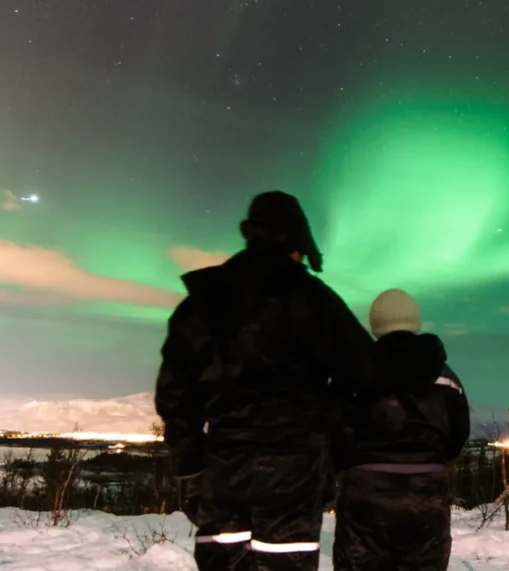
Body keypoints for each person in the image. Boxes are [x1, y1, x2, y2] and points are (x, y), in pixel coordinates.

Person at [155, 191, 377, 571]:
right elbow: (364, 374)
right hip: (294, 469)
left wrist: (189, 466)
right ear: (297, 245)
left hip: (222, 465)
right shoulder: (315, 300)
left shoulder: (204, 301)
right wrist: (330, 438)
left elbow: (176, 394)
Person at [333, 288, 470, 571]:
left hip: (365, 491)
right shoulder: (446, 377)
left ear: (374, 323)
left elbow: (333, 427)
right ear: (414, 322)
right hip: (427, 493)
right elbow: (457, 435)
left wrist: (351, 462)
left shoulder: (354, 371)